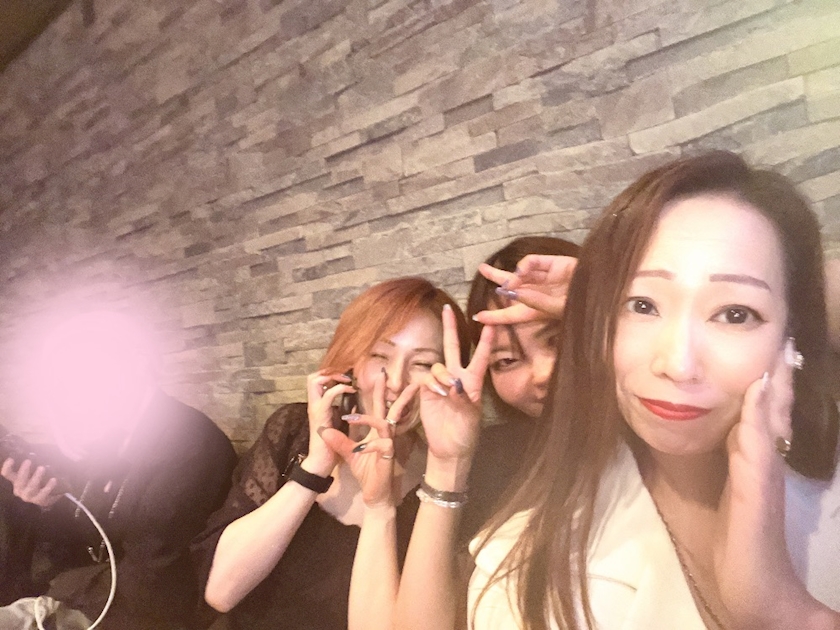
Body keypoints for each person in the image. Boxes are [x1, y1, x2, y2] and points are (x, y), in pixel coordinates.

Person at [396, 151, 840, 630]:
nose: (677, 364)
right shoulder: (524, 581)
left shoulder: (822, 468)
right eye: (642, 306)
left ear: (791, 333)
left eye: (735, 313)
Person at [191, 277, 470, 630]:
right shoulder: (295, 430)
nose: (396, 381)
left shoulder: (445, 480)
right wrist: (315, 467)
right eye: (380, 356)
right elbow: (221, 592)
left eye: (424, 364)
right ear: (352, 362)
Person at [0, 310, 237, 630]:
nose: (71, 392)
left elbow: (154, 582)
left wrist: (64, 591)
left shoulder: (190, 444)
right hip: (86, 598)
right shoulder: (113, 437)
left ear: (137, 365)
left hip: (127, 614)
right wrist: (48, 504)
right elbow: (91, 536)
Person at [460, 236, 579, 540]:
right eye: (507, 360)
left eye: (557, 339)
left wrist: (610, 302)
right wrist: (445, 465)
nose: (543, 374)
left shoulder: (674, 438)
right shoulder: (492, 466)